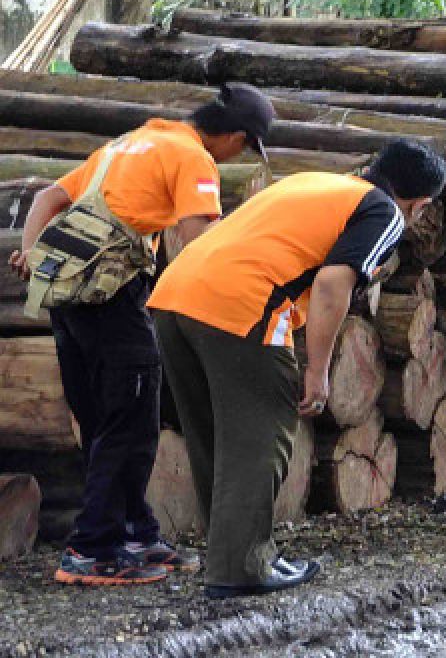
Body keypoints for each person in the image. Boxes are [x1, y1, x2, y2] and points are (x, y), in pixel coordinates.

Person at [147, 138, 446, 598]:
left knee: (213, 437)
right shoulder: (384, 211)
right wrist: (318, 369)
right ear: (421, 204)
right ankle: (244, 567)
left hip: (173, 297)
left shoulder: (315, 183)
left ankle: (228, 558)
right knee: (263, 435)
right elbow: (332, 284)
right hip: (241, 304)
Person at [9, 82, 274, 585]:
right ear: (233, 135)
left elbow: (48, 197)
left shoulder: (128, 144)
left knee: (105, 419)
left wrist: (30, 254)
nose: (238, 154)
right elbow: (198, 241)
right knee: (131, 422)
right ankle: (93, 550)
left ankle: (137, 534)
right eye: (244, 146)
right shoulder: (194, 158)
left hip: (65, 297)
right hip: (113, 294)